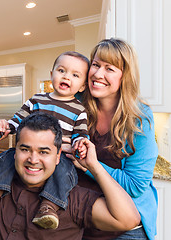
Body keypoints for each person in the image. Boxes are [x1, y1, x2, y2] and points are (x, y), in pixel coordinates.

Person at [0, 112, 140, 240]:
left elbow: (128, 219)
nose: (33, 159)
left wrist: (93, 165)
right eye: (25, 149)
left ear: (57, 156)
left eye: (44, 152)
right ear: (14, 151)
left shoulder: (72, 199)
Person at [0, 51, 90, 229]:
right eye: (61, 70)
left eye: (75, 75)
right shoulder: (36, 100)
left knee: (65, 171)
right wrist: (4, 128)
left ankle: (49, 207)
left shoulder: (79, 110)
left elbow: (80, 135)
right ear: (51, 75)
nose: (66, 77)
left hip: (58, 156)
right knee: (6, 157)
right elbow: (17, 121)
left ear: (82, 86)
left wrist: (80, 145)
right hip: (29, 150)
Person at [70, 38, 158, 240]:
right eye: (96, 65)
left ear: (124, 76)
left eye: (109, 69)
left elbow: (135, 185)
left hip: (126, 226)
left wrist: (89, 166)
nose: (98, 74)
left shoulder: (139, 118)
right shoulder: (76, 104)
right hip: (81, 216)